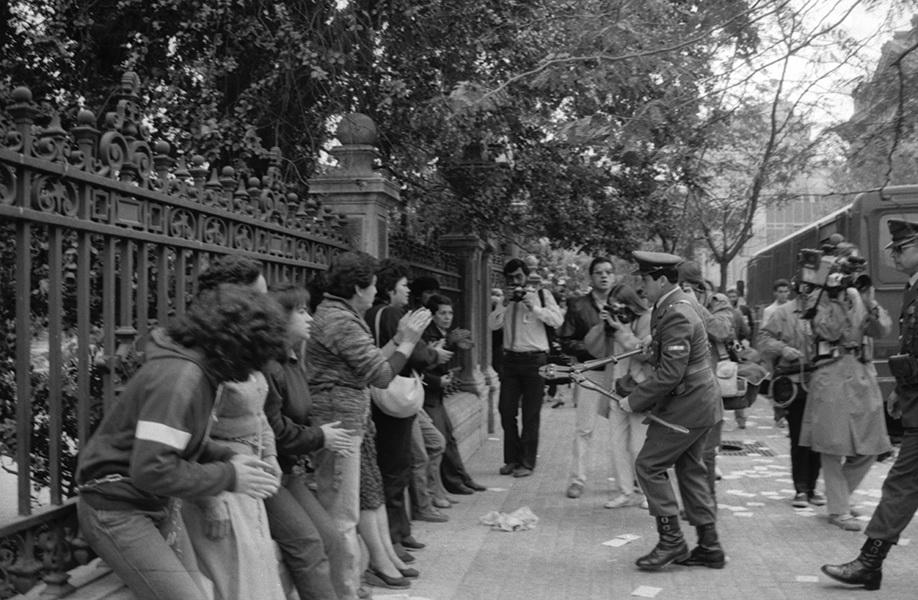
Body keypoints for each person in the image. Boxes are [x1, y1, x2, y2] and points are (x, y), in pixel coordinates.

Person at [76, 284, 286, 600]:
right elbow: (151, 469)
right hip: (117, 509)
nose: (255, 371)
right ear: (240, 347)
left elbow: (180, 443)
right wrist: (229, 476)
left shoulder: (196, 370)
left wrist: (228, 457)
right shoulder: (180, 380)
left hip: (148, 502)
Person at [307, 251, 431, 598]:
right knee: (343, 510)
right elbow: (380, 374)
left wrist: (399, 339)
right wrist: (407, 340)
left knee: (367, 493)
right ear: (358, 288)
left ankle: (375, 563)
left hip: (350, 418)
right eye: (374, 286)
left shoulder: (343, 314)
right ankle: (345, 587)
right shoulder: (339, 320)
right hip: (339, 422)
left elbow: (373, 359)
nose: (377, 292)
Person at [821, 219, 918, 590]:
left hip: (872, 383)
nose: (893, 254)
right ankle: (868, 560)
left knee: (900, 483)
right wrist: (900, 390)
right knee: (898, 481)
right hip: (841, 379)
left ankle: (869, 562)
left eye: (902, 248)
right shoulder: (913, 288)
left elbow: (885, 333)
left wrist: (867, 301)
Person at [618, 251, 724, 571]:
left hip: (688, 405)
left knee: (649, 465)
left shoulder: (676, 312)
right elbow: (674, 361)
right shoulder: (673, 306)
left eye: (645, 280)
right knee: (691, 472)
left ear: (662, 280)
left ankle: (671, 541)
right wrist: (653, 353)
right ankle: (709, 545)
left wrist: (633, 400)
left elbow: (670, 375)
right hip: (698, 403)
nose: (642, 288)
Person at [262, 282, 357, 600]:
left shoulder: (292, 361)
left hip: (290, 473)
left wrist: (322, 436)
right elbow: (275, 432)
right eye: (301, 311)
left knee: (331, 538)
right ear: (279, 319)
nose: (310, 318)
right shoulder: (270, 368)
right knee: (308, 543)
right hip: (268, 476)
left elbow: (299, 419)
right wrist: (320, 436)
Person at [364, 259, 452, 552]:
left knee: (398, 464)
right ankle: (395, 535)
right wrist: (432, 356)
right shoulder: (390, 313)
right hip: (392, 394)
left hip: (383, 393)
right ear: (389, 288)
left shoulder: (371, 314)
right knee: (395, 466)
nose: (407, 291)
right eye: (403, 285)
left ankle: (400, 531)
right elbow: (411, 351)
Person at [801, 272, 892, 532]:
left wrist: (869, 301)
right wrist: (836, 299)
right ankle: (839, 509)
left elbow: (882, 329)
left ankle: (838, 497)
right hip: (831, 376)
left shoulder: (861, 299)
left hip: (862, 377)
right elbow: (829, 330)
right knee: (832, 448)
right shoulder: (820, 300)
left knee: (872, 446)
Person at [488, 258, 564, 477]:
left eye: (518, 277)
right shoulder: (505, 299)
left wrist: (536, 308)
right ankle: (511, 458)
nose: (515, 282)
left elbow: (557, 321)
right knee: (506, 410)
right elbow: (493, 325)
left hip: (535, 361)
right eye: (510, 278)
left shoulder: (542, 294)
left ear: (526, 275)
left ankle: (527, 462)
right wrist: (504, 304)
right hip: (510, 361)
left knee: (531, 414)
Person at [758, 278, 827, 510]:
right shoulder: (784, 313)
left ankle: (813, 488)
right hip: (795, 384)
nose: (813, 293)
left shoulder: (824, 313)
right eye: (809, 288)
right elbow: (764, 340)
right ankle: (800, 488)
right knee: (799, 437)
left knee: (818, 438)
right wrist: (783, 349)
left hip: (820, 383)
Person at [584, 282, 651, 509]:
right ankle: (625, 491)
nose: (618, 311)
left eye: (621, 307)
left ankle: (646, 492)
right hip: (614, 388)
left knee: (639, 445)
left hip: (639, 390)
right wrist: (605, 325)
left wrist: (623, 330)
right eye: (613, 307)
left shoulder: (645, 319)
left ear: (632, 304)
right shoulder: (612, 323)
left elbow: (645, 353)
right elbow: (593, 348)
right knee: (617, 444)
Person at [557, 256, 615, 499]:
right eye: (599, 272)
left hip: (618, 375)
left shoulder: (624, 303)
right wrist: (592, 349)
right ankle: (577, 480)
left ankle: (632, 480)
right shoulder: (578, 305)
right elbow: (566, 340)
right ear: (591, 277)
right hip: (590, 372)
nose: (604, 276)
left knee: (623, 430)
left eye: (608, 272)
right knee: (584, 429)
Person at [422, 294, 486, 495]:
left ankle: (462, 477)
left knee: (449, 438)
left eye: (450, 313)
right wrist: (438, 380)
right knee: (440, 440)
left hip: (437, 395)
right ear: (433, 316)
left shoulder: (443, 334)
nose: (447, 317)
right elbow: (420, 366)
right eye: (442, 313)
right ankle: (451, 482)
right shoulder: (428, 337)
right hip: (426, 396)